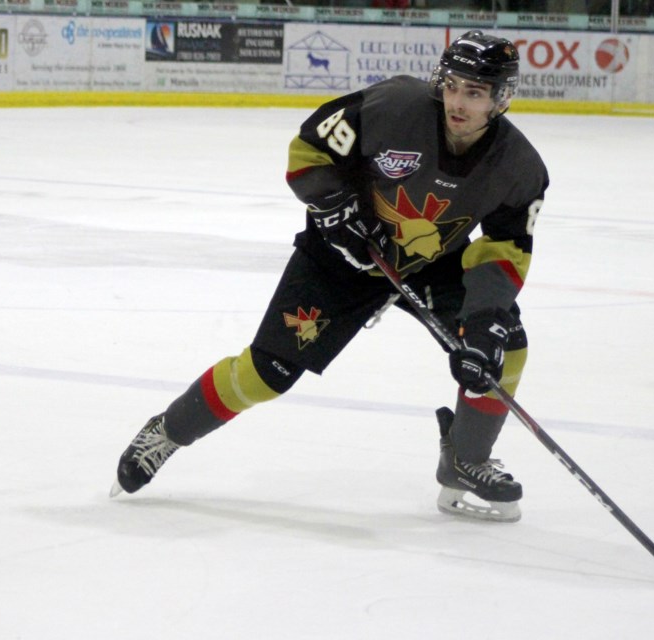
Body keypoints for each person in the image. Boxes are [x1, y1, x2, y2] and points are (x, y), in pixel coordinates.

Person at [110, 31, 549, 523]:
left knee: (504, 344)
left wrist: (486, 319)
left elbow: (505, 250)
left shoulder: (520, 167)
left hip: (430, 259)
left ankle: (466, 459)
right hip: (341, 253)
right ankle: (168, 430)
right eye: (452, 86)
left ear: (500, 99)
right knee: (267, 375)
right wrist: (337, 210)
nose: (457, 102)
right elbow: (308, 150)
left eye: (474, 92)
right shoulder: (395, 106)